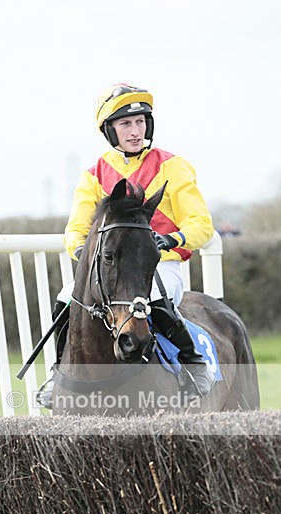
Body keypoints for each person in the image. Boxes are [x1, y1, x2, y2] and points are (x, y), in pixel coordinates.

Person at [36, 82, 216, 408]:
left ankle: (193, 365)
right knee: (66, 297)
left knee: (155, 297)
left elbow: (201, 225)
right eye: (125, 124)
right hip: (109, 268)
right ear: (110, 130)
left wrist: (173, 239)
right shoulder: (94, 174)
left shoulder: (173, 166)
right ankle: (60, 371)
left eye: (140, 122)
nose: (135, 131)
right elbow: (76, 230)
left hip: (160, 264)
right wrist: (86, 254)